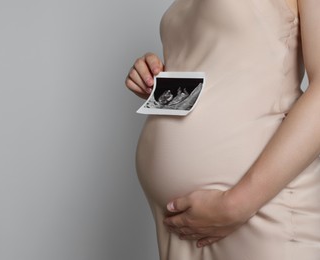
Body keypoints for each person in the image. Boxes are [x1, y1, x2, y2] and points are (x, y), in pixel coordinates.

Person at [125, 0, 320, 259]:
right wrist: (155, 80)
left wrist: (237, 204)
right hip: (179, 225)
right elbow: (222, 70)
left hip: (261, 211)